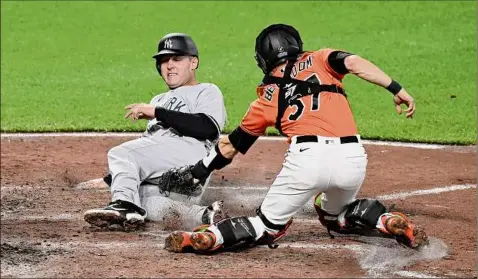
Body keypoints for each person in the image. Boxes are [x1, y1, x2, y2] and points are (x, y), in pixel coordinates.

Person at [156, 24, 428, 253]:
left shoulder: (267, 98)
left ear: (262, 58)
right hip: (353, 159)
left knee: (266, 226)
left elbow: (231, 147)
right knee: (336, 215)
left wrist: (198, 170)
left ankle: (209, 237)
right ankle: (384, 219)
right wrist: (395, 88)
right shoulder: (322, 60)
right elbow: (354, 62)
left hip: (306, 162)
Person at [83, 33, 228, 231]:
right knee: (144, 198)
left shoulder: (207, 90)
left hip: (191, 156)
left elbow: (207, 128)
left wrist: (157, 112)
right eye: (163, 61)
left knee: (120, 153)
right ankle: (204, 215)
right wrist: (109, 179)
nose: (169, 65)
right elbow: (149, 150)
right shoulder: (158, 99)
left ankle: (124, 206)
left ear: (193, 63)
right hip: (170, 174)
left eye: (177, 59)